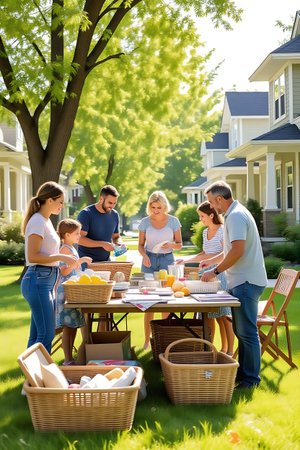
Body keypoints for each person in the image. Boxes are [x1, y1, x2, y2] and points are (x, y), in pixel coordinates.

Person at [200, 181, 267, 389]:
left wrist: (216, 271)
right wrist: (212, 262)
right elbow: (231, 249)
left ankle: (251, 380)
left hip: (246, 282)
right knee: (241, 331)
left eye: (211, 202)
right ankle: (245, 374)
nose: (211, 206)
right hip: (241, 281)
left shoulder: (236, 216)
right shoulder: (234, 214)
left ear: (220, 199)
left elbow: (237, 251)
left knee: (247, 332)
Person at [21, 182, 78, 354]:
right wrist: (62, 257)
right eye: (60, 201)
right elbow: (33, 256)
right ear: (50, 200)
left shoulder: (44, 221)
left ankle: (33, 378)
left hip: (44, 281)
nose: (62, 205)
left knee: (37, 334)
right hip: (38, 280)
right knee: (46, 334)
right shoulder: (38, 221)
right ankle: (42, 378)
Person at [177, 201, 235, 355]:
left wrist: (209, 263)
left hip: (219, 274)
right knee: (210, 314)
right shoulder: (205, 232)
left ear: (211, 215)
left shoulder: (223, 231)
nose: (200, 219)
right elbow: (203, 254)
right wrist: (186, 260)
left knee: (223, 314)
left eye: (202, 216)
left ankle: (228, 350)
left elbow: (225, 254)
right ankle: (210, 349)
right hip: (206, 275)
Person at [138, 191, 182, 349]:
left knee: (165, 301)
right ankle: (147, 340)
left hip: (167, 259)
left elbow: (179, 244)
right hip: (149, 260)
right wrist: (144, 256)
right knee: (147, 301)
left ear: (165, 206)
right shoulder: (145, 222)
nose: (156, 210)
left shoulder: (173, 221)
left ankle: (164, 340)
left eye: (159, 207)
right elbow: (140, 245)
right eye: (153, 207)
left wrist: (170, 245)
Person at [55, 219, 92, 365]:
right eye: (76, 233)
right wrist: (80, 261)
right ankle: (67, 359)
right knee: (67, 327)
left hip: (72, 291)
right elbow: (64, 271)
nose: (79, 236)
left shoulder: (71, 248)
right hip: (65, 292)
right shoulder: (64, 249)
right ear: (67, 235)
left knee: (73, 326)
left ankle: (71, 358)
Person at [77, 185, 126, 262]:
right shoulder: (86, 214)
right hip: (86, 262)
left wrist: (119, 243)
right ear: (101, 199)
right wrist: (102, 244)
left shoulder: (115, 215)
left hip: (106, 261)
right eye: (110, 203)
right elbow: (79, 239)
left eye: (114, 203)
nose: (112, 206)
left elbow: (116, 236)